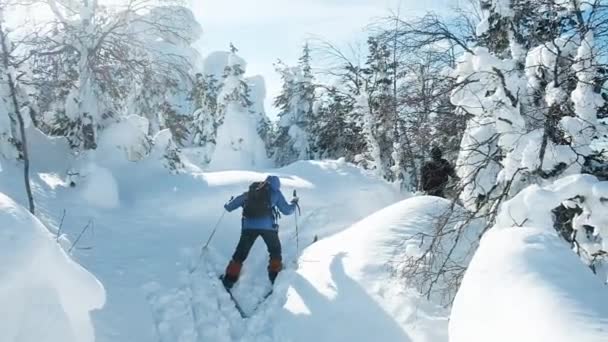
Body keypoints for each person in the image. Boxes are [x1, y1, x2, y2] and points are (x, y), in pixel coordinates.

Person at [221, 175, 298, 289]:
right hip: (268, 227)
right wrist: (294, 204)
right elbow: (286, 210)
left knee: (240, 253)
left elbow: (230, 207)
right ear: (277, 185)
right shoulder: (276, 193)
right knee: (275, 251)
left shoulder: (252, 191)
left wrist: (229, 203)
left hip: (248, 227)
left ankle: (229, 279)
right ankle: (275, 276)